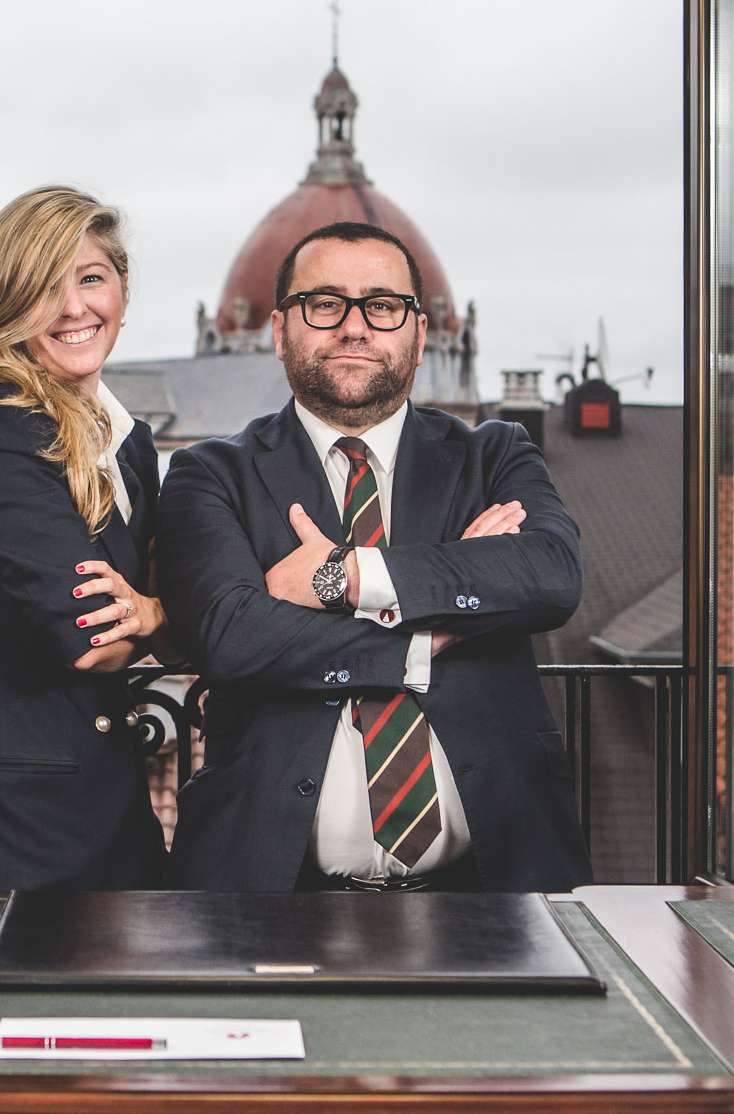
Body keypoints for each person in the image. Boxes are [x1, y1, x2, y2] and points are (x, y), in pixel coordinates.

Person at [156, 221, 591, 892]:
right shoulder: (211, 472)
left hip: (498, 879)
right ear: (280, 331)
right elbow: (232, 637)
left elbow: (551, 575)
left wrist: (345, 577)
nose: (354, 327)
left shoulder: (495, 454)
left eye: (382, 306)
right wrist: (433, 625)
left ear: (419, 333)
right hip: (267, 886)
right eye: (325, 304)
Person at [0, 185, 173, 890]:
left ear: (123, 290)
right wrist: (165, 613)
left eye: (92, 278)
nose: (74, 307)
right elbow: (98, 641)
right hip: (0, 820)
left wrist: (157, 606)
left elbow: (170, 582)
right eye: (44, 288)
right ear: (5, 307)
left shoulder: (128, 441)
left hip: (103, 802)